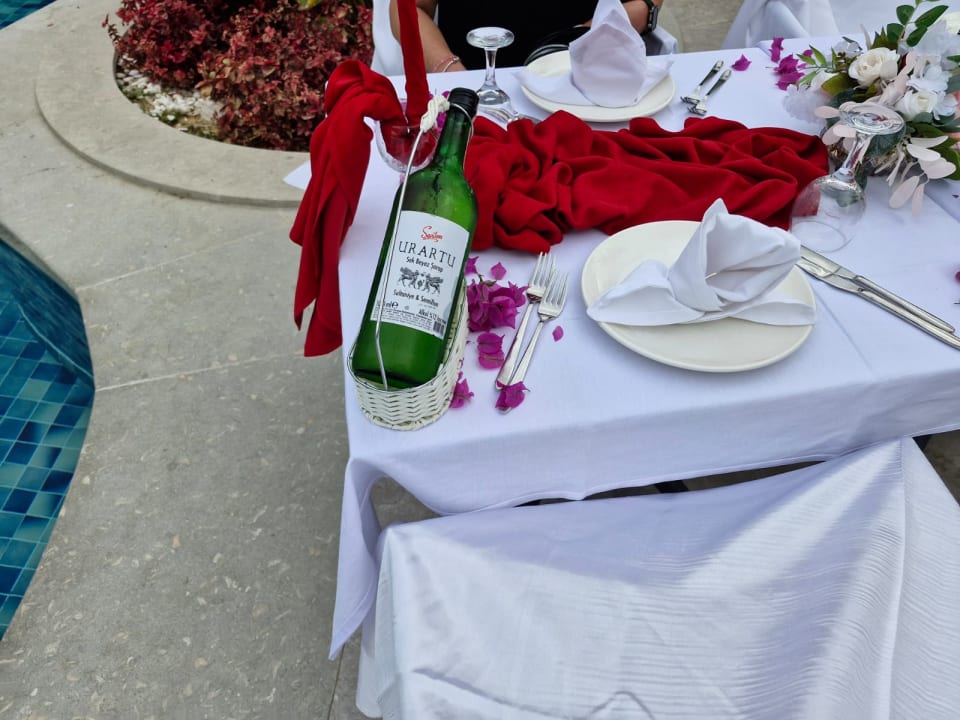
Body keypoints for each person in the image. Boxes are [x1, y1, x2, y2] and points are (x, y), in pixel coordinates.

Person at [389, 0, 666, 72]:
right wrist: (451, 71)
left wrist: (597, 30)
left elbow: (646, 3)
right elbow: (408, 10)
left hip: (584, 78)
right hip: (475, 84)